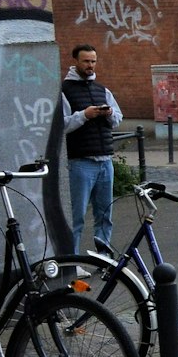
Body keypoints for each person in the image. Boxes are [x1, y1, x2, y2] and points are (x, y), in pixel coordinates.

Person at [61, 44, 122, 251]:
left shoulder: (102, 89)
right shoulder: (65, 90)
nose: (90, 65)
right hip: (80, 162)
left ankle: (103, 257)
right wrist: (84, 115)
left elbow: (118, 118)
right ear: (76, 62)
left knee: (105, 214)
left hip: (105, 160)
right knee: (76, 216)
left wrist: (109, 113)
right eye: (86, 61)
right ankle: (73, 261)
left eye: (93, 61)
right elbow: (61, 126)